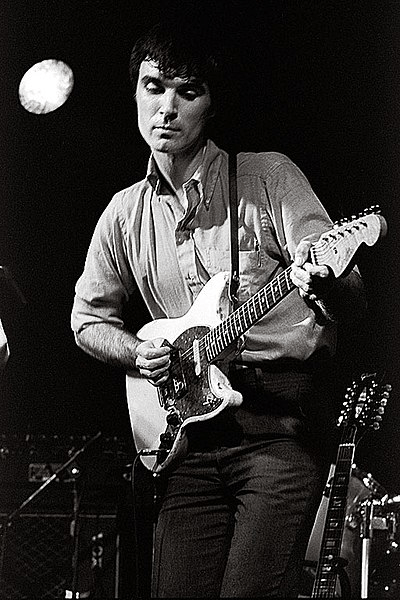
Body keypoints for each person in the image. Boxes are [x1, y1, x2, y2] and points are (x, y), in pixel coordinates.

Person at [71, 22, 366, 598]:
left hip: (279, 429)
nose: (167, 108)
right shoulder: (124, 214)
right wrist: (139, 352)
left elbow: (351, 289)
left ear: (211, 106)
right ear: (135, 93)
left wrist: (326, 279)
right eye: (154, 87)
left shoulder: (267, 176)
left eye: (188, 92)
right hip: (189, 440)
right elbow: (87, 321)